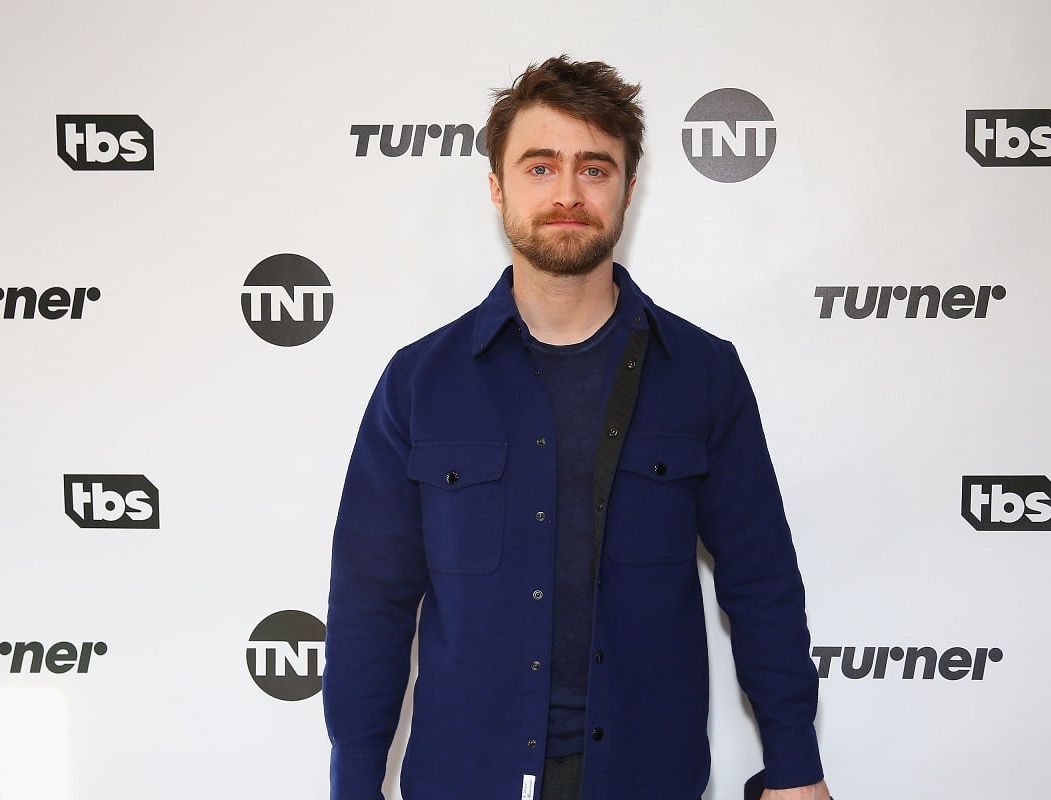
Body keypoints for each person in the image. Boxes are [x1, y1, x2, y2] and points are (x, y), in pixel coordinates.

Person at [324, 55, 832, 800]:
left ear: (629, 188)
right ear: (496, 188)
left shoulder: (703, 373)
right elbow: (371, 605)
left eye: (594, 169)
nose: (566, 193)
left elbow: (761, 583)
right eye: (539, 167)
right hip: (466, 782)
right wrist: (353, 785)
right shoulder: (419, 383)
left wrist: (794, 766)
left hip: (646, 780)